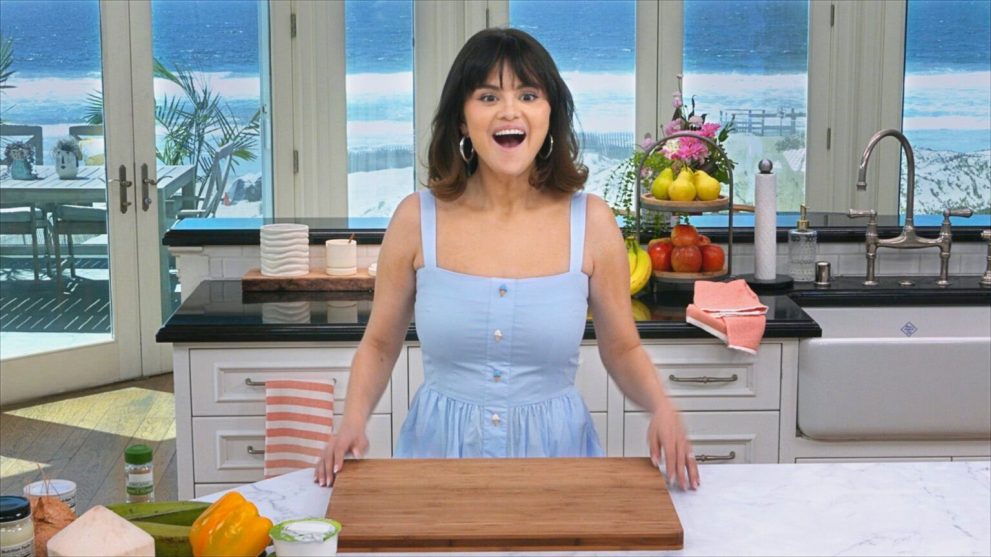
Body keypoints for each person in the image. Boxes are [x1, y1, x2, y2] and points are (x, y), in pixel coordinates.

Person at [315, 28, 699, 490]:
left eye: (528, 95)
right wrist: (352, 420)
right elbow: (379, 344)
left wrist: (662, 408)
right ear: (462, 119)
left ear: (550, 113)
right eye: (488, 96)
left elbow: (622, 348)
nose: (510, 110)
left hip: (557, 465)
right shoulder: (416, 219)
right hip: (438, 464)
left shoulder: (593, 223)